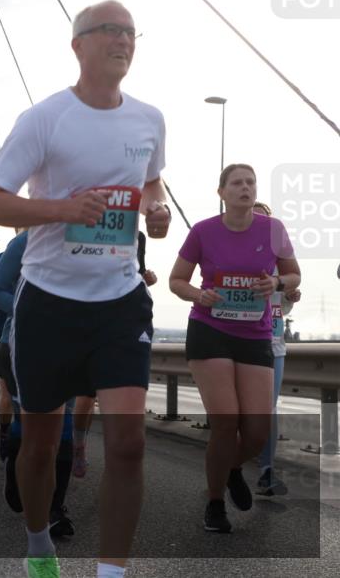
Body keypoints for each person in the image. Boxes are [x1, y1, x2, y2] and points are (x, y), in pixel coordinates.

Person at [0, 0, 171, 578]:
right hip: (50, 303)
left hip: (120, 300)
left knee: (130, 442)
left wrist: (156, 210)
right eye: (110, 30)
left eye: (131, 32)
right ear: (78, 45)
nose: (123, 39)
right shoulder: (45, 118)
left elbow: (153, 183)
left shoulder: (149, 119)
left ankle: (111, 571)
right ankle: (39, 546)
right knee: (39, 446)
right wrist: (62, 208)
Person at [169, 165, 300, 533]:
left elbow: (294, 275)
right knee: (226, 420)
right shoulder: (203, 231)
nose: (245, 188)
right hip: (210, 331)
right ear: (222, 192)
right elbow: (176, 280)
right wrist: (199, 294)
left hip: (255, 335)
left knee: (257, 430)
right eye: (237, 183)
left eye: (250, 182)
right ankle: (214, 504)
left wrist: (276, 280)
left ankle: (229, 468)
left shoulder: (273, 230)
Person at [0, 228, 76, 539]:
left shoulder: (97, 242)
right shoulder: (25, 242)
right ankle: (14, 464)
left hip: (72, 346)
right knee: (32, 428)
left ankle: (55, 509)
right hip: (24, 345)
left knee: (65, 424)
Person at [71, 231, 158, 478]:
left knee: (122, 408)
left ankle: (118, 465)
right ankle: (78, 446)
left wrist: (145, 277)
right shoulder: (80, 230)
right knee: (86, 398)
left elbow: (135, 271)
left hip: (128, 324)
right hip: (89, 321)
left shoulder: (138, 236)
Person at [252, 201, 301, 496]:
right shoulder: (234, 258)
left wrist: (290, 294)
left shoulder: (280, 263)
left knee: (267, 410)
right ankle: (227, 467)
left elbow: (282, 305)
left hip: (274, 344)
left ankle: (266, 470)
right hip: (242, 342)